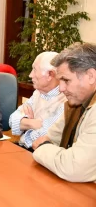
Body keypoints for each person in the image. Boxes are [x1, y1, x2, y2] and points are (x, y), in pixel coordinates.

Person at [32, 42, 96, 182]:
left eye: (66, 80)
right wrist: (47, 147)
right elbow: (49, 139)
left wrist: (43, 148)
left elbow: (73, 168)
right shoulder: (76, 103)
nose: (61, 88)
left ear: (91, 76)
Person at [9, 52, 67, 150]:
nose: (30, 75)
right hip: (25, 148)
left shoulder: (65, 100)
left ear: (50, 74)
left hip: (39, 153)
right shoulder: (38, 93)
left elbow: (45, 135)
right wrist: (33, 123)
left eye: (35, 70)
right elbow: (12, 120)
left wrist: (24, 126)